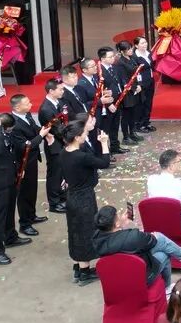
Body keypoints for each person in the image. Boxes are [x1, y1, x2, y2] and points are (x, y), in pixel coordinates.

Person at [93, 205, 181, 295]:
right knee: (161, 244)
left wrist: (122, 227)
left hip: (120, 276)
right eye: (118, 216)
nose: (120, 215)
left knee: (160, 244)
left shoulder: (96, 239)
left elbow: (119, 239)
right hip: (140, 276)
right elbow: (152, 241)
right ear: (116, 223)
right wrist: (140, 234)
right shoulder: (133, 237)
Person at [0, 113, 38, 265]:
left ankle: (10, 237)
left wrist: (18, 169)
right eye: (8, 130)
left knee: (10, 210)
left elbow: (11, 150)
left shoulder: (3, 133)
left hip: (10, 178)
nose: (10, 132)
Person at [60, 118, 110, 284]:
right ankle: (84, 271)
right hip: (84, 199)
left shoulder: (64, 152)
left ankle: (78, 267)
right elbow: (104, 162)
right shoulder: (81, 157)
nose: (85, 136)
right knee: (86, 233)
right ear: (76, 137)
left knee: (75, 231)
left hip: (72, 196)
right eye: (83, 134)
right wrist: (104, 143)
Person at [9, 92, 48, 235]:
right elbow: (25, 146)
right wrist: (41, 136)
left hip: (32, 160)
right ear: (17, 107)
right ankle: (25, 224)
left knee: (32, 189)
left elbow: (34, 128)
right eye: (27, 103)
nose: (30, 104)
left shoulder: (27, 115)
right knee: (24, 194)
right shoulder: (14, 125)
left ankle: (31, 215)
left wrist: (43, 130)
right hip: (22, 163)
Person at [38, 80, 70, 214]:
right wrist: (71, 136)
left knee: (62, 173)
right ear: (51, 91)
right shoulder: (46, 109)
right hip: (54, 144)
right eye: (60, 89)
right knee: (55, 174)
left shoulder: (59, 103)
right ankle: (54, 203)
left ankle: (62, 196)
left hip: (62, 142)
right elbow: (57, 129)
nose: (63, 91)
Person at [115, 40, 145, 144]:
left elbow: (138, 73)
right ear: (122, 51)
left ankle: (132, 132)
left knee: (133, 113)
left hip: (135, 89)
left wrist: (139, 85)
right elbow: (123, 79)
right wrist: (133, 88)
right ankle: (126, 136)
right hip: (127, 92)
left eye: (131, 48)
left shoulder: (132, 58)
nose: (131, 50)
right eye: (128, 49)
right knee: (126, 115)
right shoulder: (120, 63)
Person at [97, 47, 126, 154]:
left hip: (117, 99)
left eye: (113, 56)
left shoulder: (113, 67)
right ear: (102, 58)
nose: (113, 58)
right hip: (107, 103)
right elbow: (100, 90)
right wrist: (109, 104)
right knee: (106, 127)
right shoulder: (99, 71)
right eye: (110, 57)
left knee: (115, 125)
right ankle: (106, 150)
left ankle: (115, 146)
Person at [132, 36, 156, 132]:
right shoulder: (134, 56)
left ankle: (146, 122)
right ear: (136, 45)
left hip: (150, 80)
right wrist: (138, 84)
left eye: (145, 42)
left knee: (148, 102)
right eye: (142, 43)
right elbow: (135, 72)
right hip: (141, 83)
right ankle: (138, 125)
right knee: (141, 103)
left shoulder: (148, 53)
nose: (145, 44)